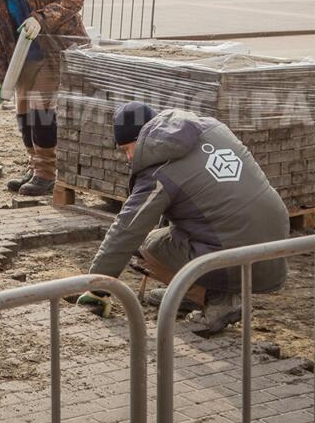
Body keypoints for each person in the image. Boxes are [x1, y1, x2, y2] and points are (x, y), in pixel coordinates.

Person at [77, 102, 290, 334]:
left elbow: (126, 231)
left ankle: (215, 299)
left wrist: (97, 289)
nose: (129, 157)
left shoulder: (159, 173)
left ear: (145, 138)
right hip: (279, 242)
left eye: (128, 148)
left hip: (239, 253)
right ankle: (190, 291)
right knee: (170, 234)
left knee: (146, 248)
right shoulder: (211, 127)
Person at [0, 0, 87, 197]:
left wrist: (41, 18)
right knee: (24, 109)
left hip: (59, 48)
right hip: (23, 54)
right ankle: (34, 164)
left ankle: (46, 174)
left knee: (41, 107)